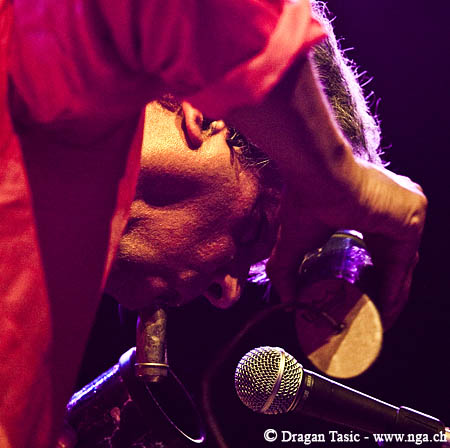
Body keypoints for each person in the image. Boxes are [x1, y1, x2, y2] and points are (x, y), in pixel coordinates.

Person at [0, 0, 426, 447]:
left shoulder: (32, 361)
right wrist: (341, 179)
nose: (227, 294)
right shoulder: (49, 41)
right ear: (204, 113)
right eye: (252, 230)